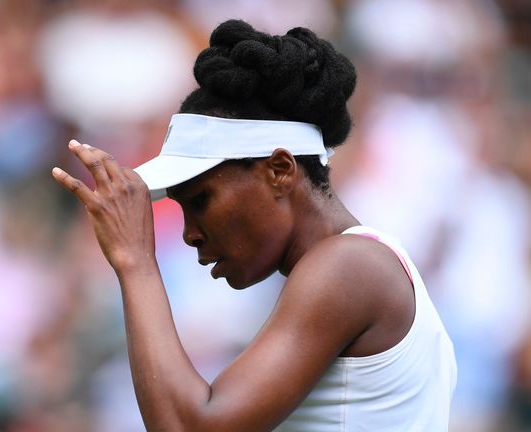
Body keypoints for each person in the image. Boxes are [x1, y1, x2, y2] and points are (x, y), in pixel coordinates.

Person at [52, 19, 456, 431]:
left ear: (280, 170)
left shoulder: (349, 267)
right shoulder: (347, 265)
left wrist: (135, 260)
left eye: (201, 200)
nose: (189, 233)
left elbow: (189, 427)